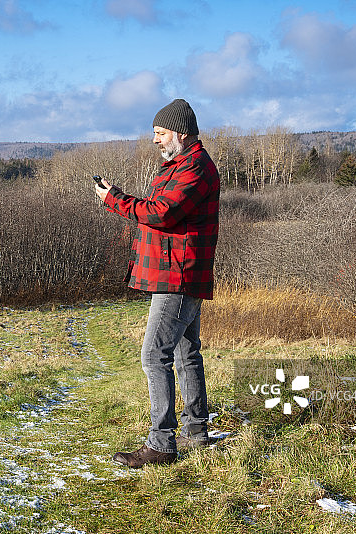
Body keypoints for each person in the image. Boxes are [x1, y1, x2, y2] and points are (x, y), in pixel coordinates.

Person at [94, 98, 220, 468]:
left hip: (178, 276)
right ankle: (196, 431)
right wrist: (119, 197)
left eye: (160, 133)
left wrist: (114, 199)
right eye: (154, 133)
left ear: (181, 133)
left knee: (154, 355)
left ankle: (162, 444)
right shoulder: (181, 164)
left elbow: (161, 213)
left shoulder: (195, 167)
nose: (154, 140)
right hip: (176, 271)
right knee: (184, 352)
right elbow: (158, 209)